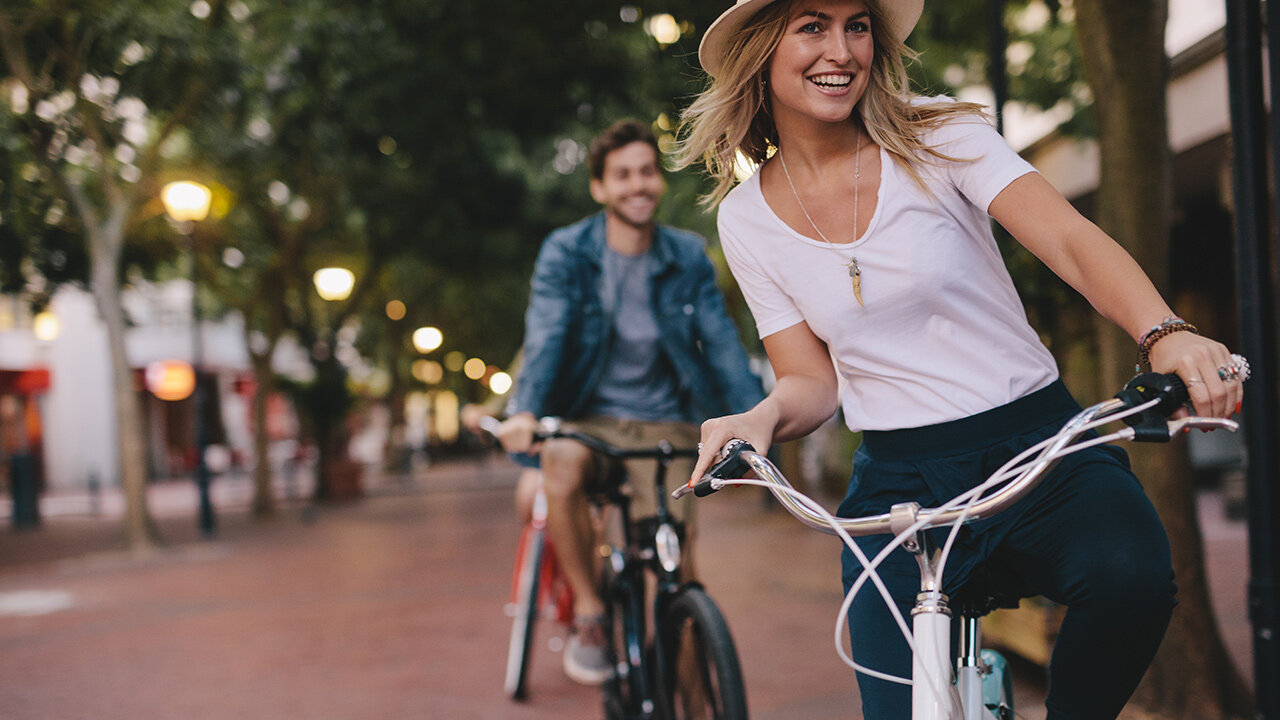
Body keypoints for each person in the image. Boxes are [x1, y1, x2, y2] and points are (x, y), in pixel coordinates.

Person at [673, 1, 1246, 718]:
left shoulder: (938, 134)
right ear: (760, 52)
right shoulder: (746, 217)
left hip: (1037, 444)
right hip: (900, 483)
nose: (841, 50)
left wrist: (1165, 333)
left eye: (857, 26)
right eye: (812, 26)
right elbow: (811, 381)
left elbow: (1068, 240)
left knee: (1132, 578)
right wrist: (759, 418)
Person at [493, 119, 765, 685]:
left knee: (677, 573)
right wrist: (526, 412)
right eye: (622, 175)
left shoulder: (686, 255)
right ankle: (591, 611)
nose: (637, 185)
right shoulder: (568, 252)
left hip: (667, 425)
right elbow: (547, 335)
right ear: (599, 187)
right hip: (589, 422)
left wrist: (755, 420)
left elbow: (720, 341)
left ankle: (692, 702)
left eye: (646, 172)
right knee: (559, 463)